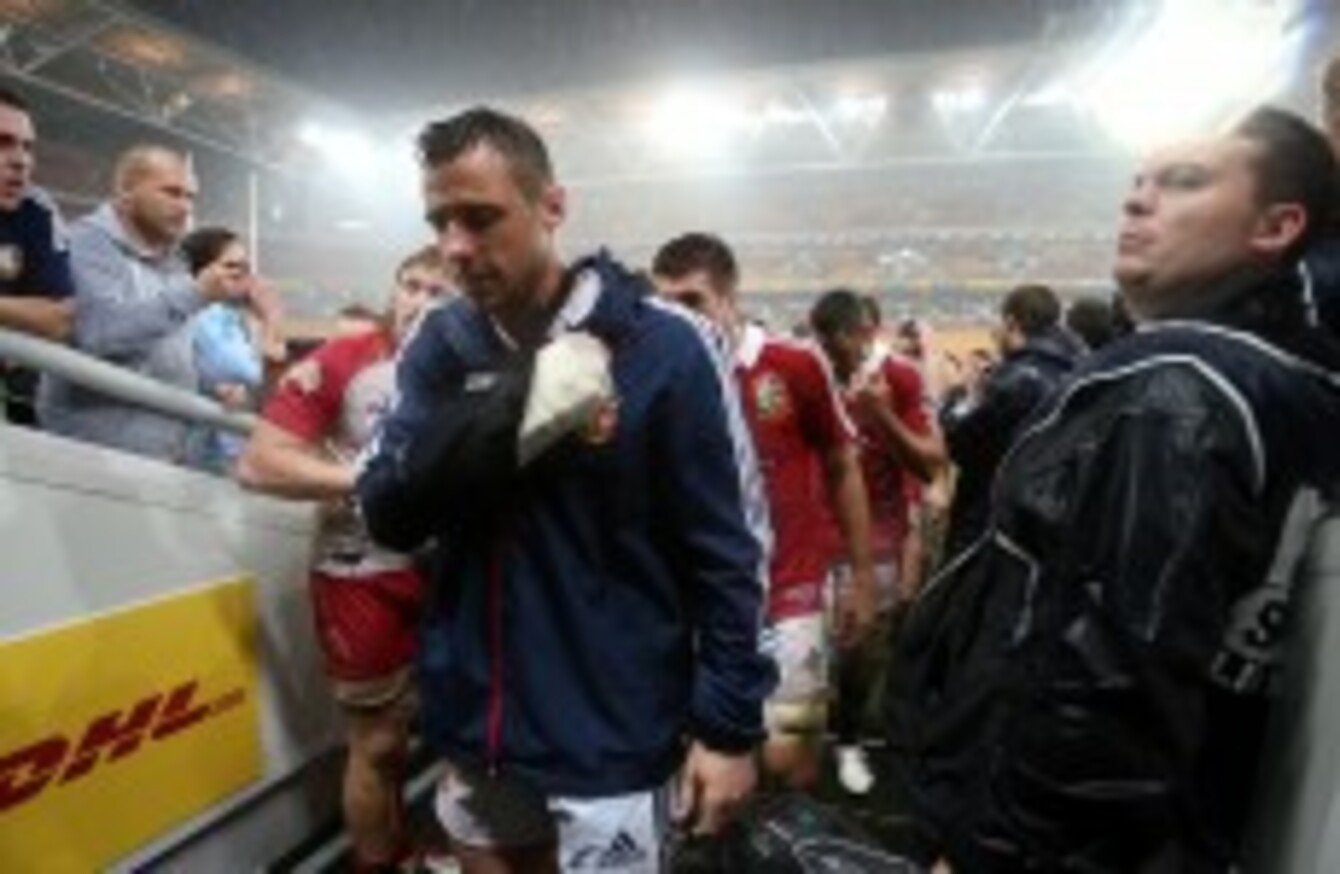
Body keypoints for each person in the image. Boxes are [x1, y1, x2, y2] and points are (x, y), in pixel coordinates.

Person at [891, 106, 1340, 872]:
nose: (1136, 200)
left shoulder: (1171, 387)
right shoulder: (1302, 384)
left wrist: (992, 857)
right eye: (1138, 181)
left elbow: (1101, 685)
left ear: (1275, 226)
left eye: (1184, 182)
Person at [356, 107, 774, 874]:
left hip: (612, 737)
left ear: (552, 206)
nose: (455, 247)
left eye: (480, 218)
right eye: (439, 222)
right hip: (476, 729)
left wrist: (728, 727)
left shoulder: (663, 343)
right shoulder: (440, 342)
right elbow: (385, 508)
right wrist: (526, 401)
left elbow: (730, 548)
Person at [235, 245, 450, 872]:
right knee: (379, 742)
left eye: (439, 292)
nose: (419, 301)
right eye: (411, 285)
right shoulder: (346, 358)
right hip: (363, 571)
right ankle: (380, 863)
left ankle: (451, 845)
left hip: (456, 569)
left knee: (462, 726)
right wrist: (369, 480)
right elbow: (258, 464)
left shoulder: (484, 360)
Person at [652, 231, 876, 792]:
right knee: (708, 757)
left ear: (730, 296)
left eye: (693, 301)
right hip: (703, 598)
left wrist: (862, 576)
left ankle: (793, 820)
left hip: (790, 591)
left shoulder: (792, 364)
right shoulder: (662, 371)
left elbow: (842, 465)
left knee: (788, 753)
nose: (680, 318)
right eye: (666, 304)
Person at [809, 289, 946, 797]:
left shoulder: (900, 377)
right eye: (826, 344)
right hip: (809, 541)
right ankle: (804, 750)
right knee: (807, 658)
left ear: (867, 335)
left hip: (878, 540)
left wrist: (881, 415)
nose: (836, 356)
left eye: (845, 343)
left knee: (859, 653)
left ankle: (849, 741)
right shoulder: (806, 374)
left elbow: (930, 464)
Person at [38, 144, 243, 463]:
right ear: (126, 192)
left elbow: (162, 351)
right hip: (93, 457)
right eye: (172, 193)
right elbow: (99, 333)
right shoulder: (86, 243)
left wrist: (208, 386)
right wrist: (194, 294)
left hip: (163, 457)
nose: (185, 207)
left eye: (191, 197)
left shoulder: (175, 261)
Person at [939, 283, 1080, 559]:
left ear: (1011, 323)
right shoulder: (1079, 370)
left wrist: (963, 395)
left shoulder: (1013, 380)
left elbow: (957, 441)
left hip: (996, 523)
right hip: (1056, 521)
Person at [182, 226, 285, 473]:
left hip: (230, 452)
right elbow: (249, 373)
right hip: (202, 458)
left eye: (246, 268)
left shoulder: (232, 318)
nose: (245, 276)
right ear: (203, 271)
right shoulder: (202, 315)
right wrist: (272, 318)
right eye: (231, 266)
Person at [0, 86, 74, 424]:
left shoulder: (37, 210)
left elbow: (61, 319)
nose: (20, 160)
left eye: (27, 147)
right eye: (3, 142)